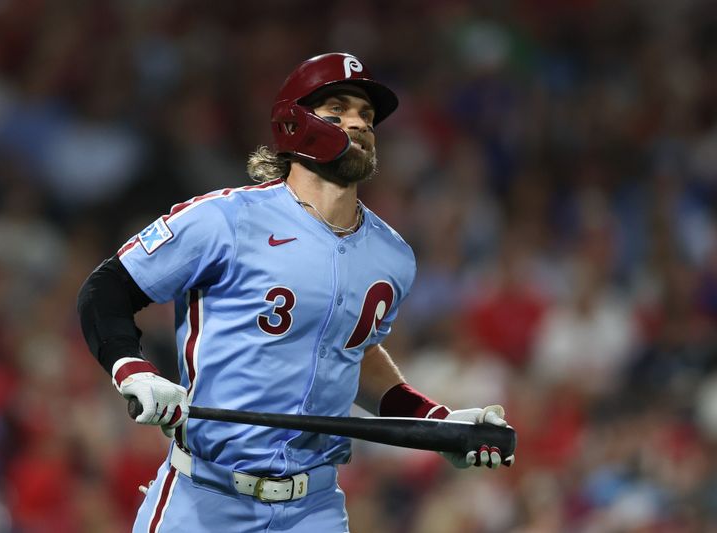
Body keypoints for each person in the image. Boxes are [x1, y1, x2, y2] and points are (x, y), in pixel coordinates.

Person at [77, 52, 514, 533]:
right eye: (338, 111)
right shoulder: (227, 219)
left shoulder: (393, 257)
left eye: (367, 115)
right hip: (205, 497)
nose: (360, 123)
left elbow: (352, 353)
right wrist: (132, 369)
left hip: (314, 507)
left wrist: (435, 420)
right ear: (293, 123)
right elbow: (108, 288)